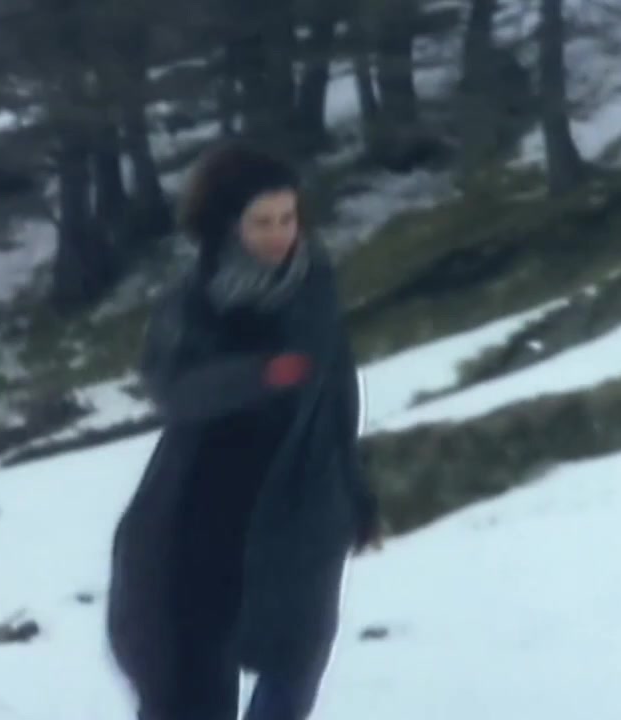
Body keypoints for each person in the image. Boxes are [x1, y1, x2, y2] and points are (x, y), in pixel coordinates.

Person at [105, 139, 381, 720]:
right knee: (192, 671)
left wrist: (357, 494)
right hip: (205, 512)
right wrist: (260, 375)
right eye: (263, 222)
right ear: (229, 225)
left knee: (296, 662)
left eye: (288, 218)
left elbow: (338, 400)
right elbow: (171, 387)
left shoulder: (314, 289)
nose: (280, 234)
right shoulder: (195, 298)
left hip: (300, 507)